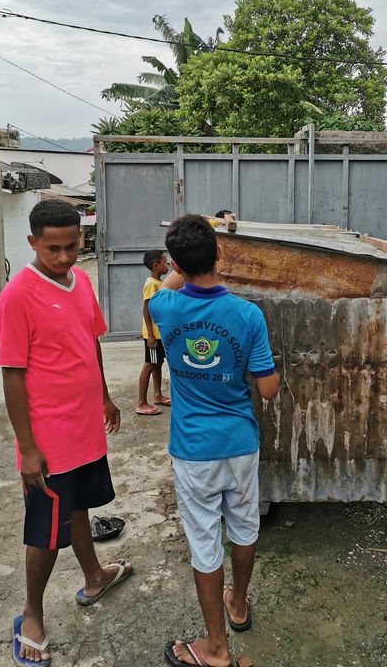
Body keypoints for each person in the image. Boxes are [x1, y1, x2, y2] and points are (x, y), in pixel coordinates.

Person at [0, 199, 132, 667]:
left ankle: (94, 576)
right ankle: (31, 614)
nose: (65, 257)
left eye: (73, 246)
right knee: (46, 532)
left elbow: (88, 340)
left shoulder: (81, 281)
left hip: (84, 428)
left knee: (80, 507)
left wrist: (105, 397)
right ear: (33, 242)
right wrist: (28, 449)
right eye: (53, 248)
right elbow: (12, 374)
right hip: (48, 440)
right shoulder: (16, 296)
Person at [149, 214, 279, 667]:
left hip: (193, 449)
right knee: (244, 527)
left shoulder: (164, 309)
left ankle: (216, 648)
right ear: (219, 254)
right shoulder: (248, 314)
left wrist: (178, 269)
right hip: (240, 442)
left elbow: (166, 287)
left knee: (205, 542)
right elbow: (268, 389)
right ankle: (238, 604)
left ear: (176, 264)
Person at [137, 249, 170, 415]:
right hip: (153, 335)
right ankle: (141, 403)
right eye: (165, 262)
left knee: (158, 363)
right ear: (156, 266)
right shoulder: (151, 283)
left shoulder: (159, 283)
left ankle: (158, 395)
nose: (168, 264)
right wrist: (150, 334)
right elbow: (147, 309)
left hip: (159, 334)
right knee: (150, 365)